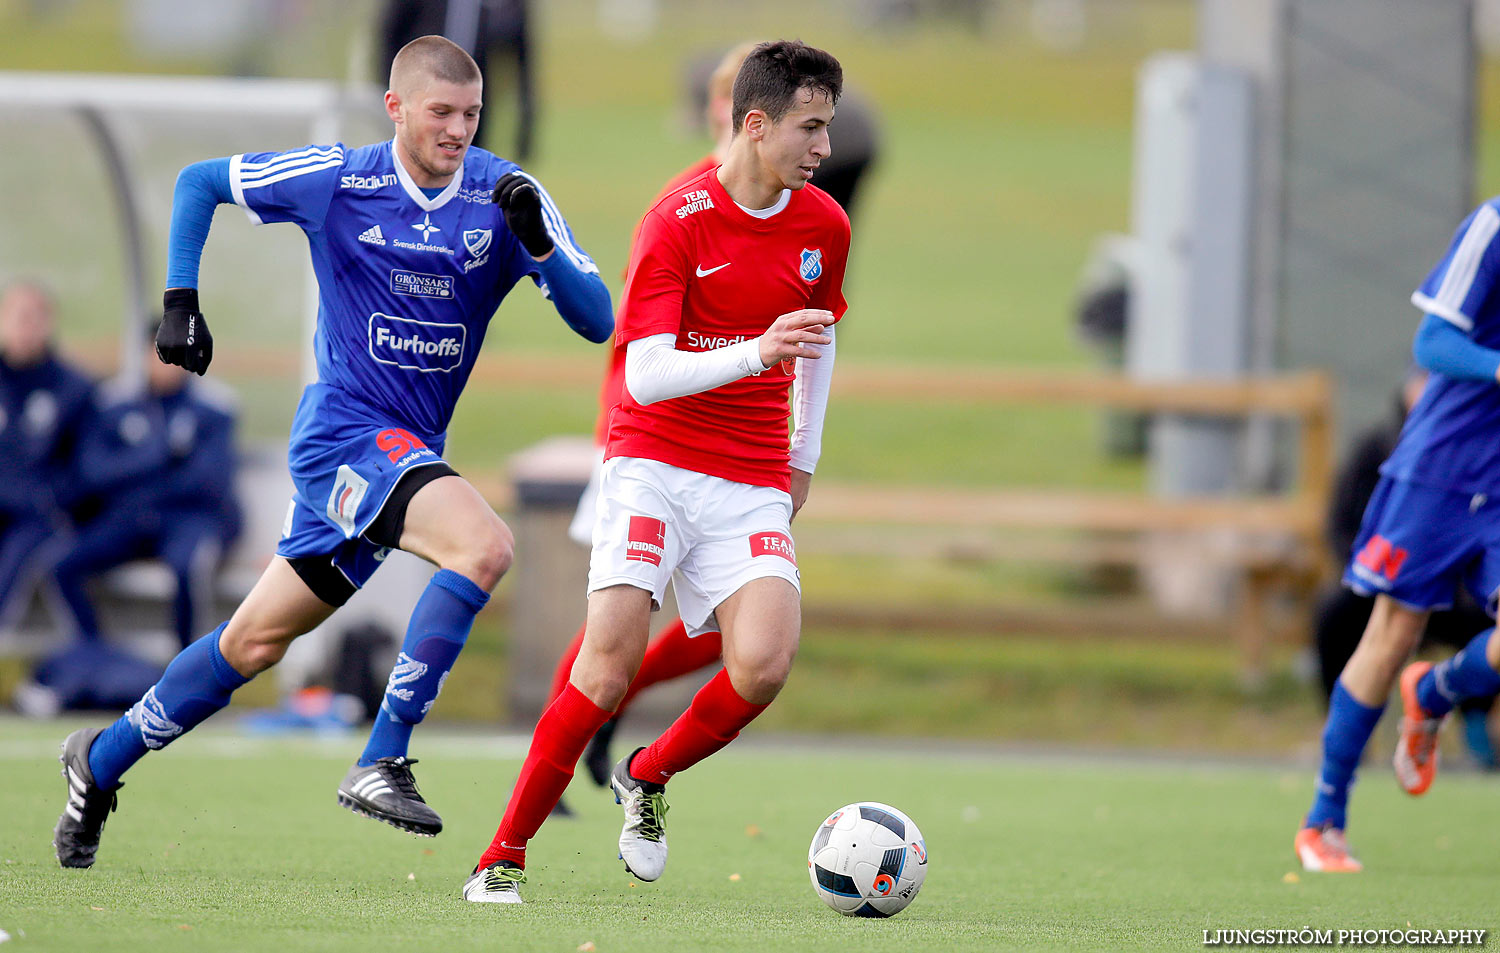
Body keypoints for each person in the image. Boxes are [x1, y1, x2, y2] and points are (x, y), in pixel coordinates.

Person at [53, 35, 612, 870]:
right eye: (441, 113)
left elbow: (600, 317)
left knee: (251, 645)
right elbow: (199, 182)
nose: (458, 130)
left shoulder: (503, 191)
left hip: (404, 457)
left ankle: (97, 763)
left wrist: (537, 244)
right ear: (396, 109)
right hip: (344, 437)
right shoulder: (341, 176)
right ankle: (381, 755)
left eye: (471, 114)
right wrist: (180, 300)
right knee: (484, 545)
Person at [464, 39, 849, 904]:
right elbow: (644, 372)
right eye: (810, 127)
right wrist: (756, 352)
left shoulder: (824, 223)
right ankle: (502, 855)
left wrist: (802, 459)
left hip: (751, 470)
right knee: (606, 665)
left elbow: (817, 347)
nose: (824, 148)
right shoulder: (676, 219)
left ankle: (647, 773)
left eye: (828, 127)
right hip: (653, 462)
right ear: (757, 126)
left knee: (765, 659)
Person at [545, 41, 756, 816]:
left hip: (734, 450)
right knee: (617, 619)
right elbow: (639, 339)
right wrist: (616, 430)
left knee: (723, 630)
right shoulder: (687, 201)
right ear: (725, 112)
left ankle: (603, 723)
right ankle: (559, 750)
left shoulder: (785, 211)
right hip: (652, 439)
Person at [1294, 197, 1500, 873]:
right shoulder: (1494, 224)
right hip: (1440, 471)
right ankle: (1324, 820)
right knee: (1392, 634)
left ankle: (1437, 691)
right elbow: (1433, 344)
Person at [1310, 369, 1496, 766]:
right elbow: (1341, 523)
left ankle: (1459, 709)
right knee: (1339, 617)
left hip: (1459, 593)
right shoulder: (1381, 448)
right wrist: (1371, 573)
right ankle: (1338, 766)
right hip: (1393, 578)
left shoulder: (1480, 455)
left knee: (1483, 620)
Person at [50, 330, 241, 653]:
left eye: (178, 353)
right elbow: (92, 472)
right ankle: (94, 653)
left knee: (187, 566)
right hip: (128, 518)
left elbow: (209, 481)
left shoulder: (213, 408)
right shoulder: (115, 404)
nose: (168, 363)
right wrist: (160, 455)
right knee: (60, 564)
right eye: (159, 352)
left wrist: (135, 477)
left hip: (188, 518)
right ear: (143, 355)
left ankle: (188, 663)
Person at [0, 281, 93, 630]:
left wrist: (51, 501)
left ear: (49, 324)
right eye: (17, 317)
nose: (25, 327)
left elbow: (86, 468)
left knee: (17, 563)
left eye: (34, 318)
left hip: (38, 516)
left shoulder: (74, 389)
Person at [378, 0, 535, 162]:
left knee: (468, 166)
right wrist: (396, 89)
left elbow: (518, 41)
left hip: (474, 98)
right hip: (421, 92)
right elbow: (390, 35)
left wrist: (526, 117)